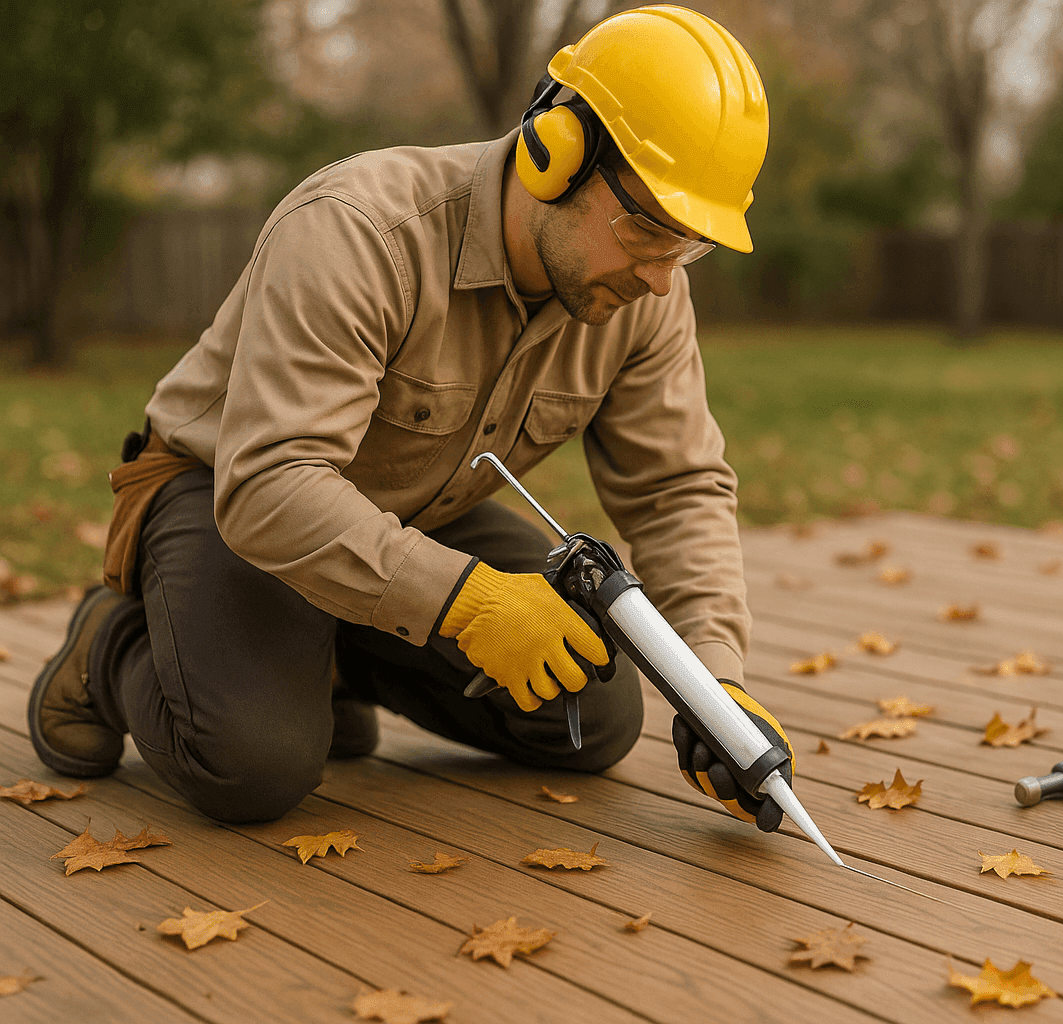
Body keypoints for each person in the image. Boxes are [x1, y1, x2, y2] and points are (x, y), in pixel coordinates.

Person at [28, 4, 794, 831]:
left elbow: (676, 489)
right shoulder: (359, 232)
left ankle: (329, 654)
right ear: (556, 156)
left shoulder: (646, 293)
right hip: (228, 494)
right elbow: (269, 484)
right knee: (253, 763)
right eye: (647, 227)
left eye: (689, 243)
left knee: (592, 716)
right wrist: (467, 605)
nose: (660, 273)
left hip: (413, 514)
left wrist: (718, 685)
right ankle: (110, 647)